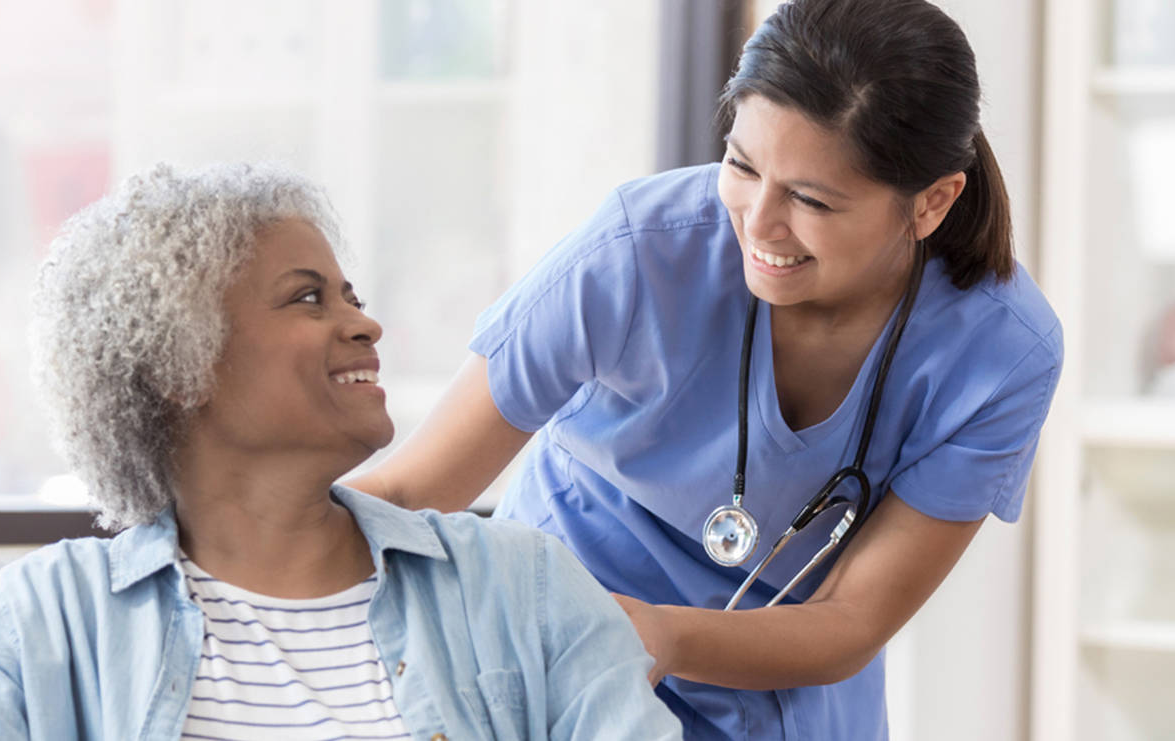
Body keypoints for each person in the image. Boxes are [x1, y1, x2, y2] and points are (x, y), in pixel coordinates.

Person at [345, 1, 1063, 738]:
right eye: (742, 165)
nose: (757, 222)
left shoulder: (1001, 353)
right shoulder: (639, 250)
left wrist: (656, 634)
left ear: (933, 202)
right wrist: (240, 550)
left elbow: (852, 618)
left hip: (781, 687)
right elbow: (407, 491)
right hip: (550, 662)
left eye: (810, 200)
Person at [0, 163, 685, 740]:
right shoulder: (40, 621)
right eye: (308, 297)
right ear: (185, 365)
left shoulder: (526, 588)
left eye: (353, 297)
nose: (363, 325)